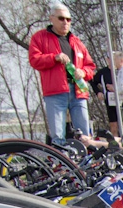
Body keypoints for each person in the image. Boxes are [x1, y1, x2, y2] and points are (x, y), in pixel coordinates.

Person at [28, 3, 96, 144]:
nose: (65, 22)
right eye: (61, 18)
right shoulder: (40, 38)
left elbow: (90, 67)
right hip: (55, 92)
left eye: (68, 19)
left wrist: (83, 72)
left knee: (84, 134)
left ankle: (88, 161)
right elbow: (34, 60)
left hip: (78, 92)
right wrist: (54, 58)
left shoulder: (77, 42)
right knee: (58, 135)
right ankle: (60, 162)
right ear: (51, 18)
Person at [91, 52, 123, 136]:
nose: (113, 61)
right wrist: (98, 92)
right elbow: (92, 80)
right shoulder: (118, 71)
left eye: (115, 59)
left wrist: (114, 88)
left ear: (121, 60)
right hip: (119, 102)